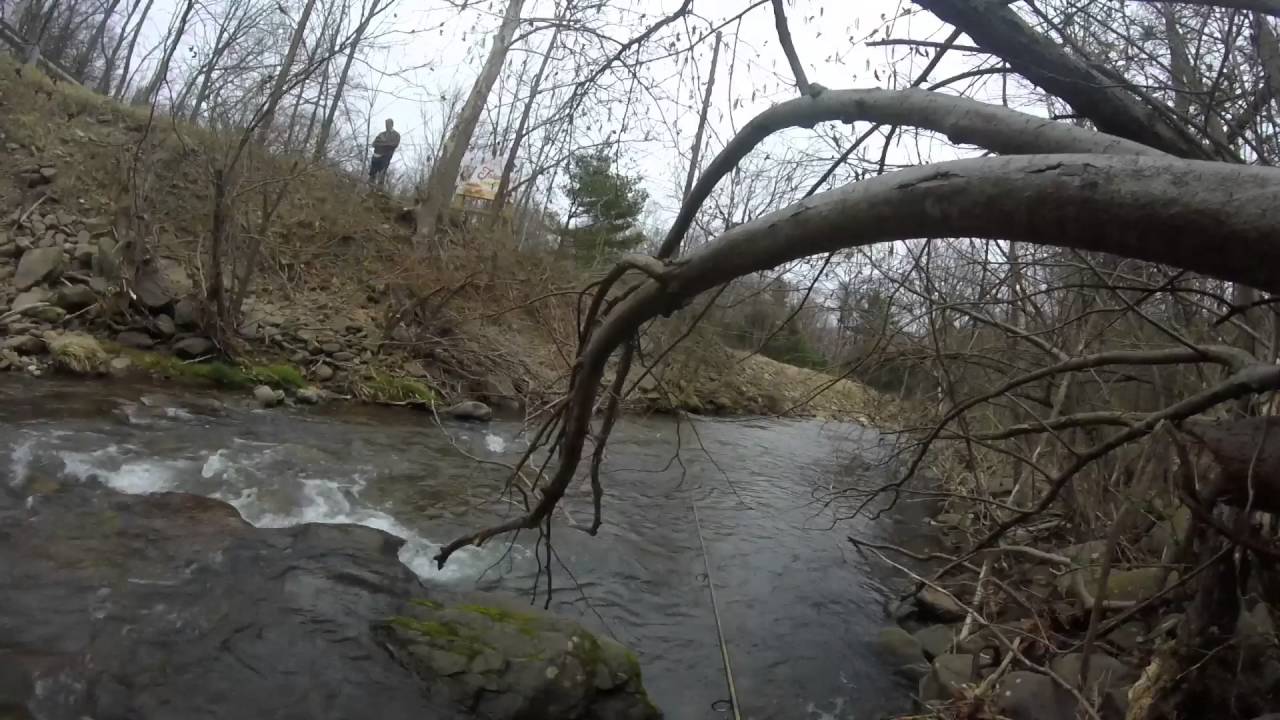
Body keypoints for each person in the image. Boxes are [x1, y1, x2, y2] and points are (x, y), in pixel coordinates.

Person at [369, 119, 401, 189]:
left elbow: (394, 144)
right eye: (386, 124)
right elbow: (374, 143)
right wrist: (385, 143)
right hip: (376, 155)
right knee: (372, 174)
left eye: (388, 124)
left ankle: (379, 190)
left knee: (382, 174)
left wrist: (383, 143)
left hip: (386, 156)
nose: (386, 125)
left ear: (392, 124)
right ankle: (370, 189)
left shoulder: (396, 135)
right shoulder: (381, 134)